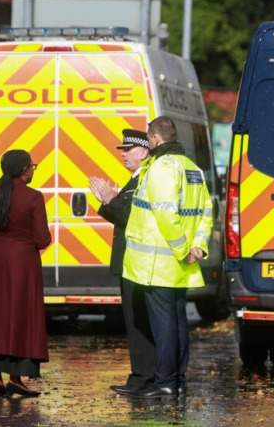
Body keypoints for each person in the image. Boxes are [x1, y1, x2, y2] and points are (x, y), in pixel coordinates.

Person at [123, 117, 213, 399]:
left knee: (164, 326)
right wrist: (197, 246)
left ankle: (164, 381)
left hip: (158, 263)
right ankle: (177, 380)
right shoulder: (192, 168)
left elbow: (165, 215)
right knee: (177, 322)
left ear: (154, 139)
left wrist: (183, 248)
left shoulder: (161, 168)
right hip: (180, 263)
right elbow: (205, 213)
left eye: (148, 138)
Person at [0, 150, 52, 397]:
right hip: (23, 263)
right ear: (24, 170)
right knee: (21, 316)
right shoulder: (34, 197)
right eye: (32, 166)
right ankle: (16, 378)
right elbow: (42, 238)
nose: (33, 170)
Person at [88, 129, 156, 396]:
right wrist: (109, 202)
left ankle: (144, 378)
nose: (123, 155)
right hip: (133, 261)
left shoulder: (144, 180)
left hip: (137, 261)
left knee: (139, 323)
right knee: (136, 321)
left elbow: (129, 217)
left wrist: (110, 199)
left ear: (143, 152)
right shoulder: (136, 179)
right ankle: (142, 376)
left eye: (128, 150)